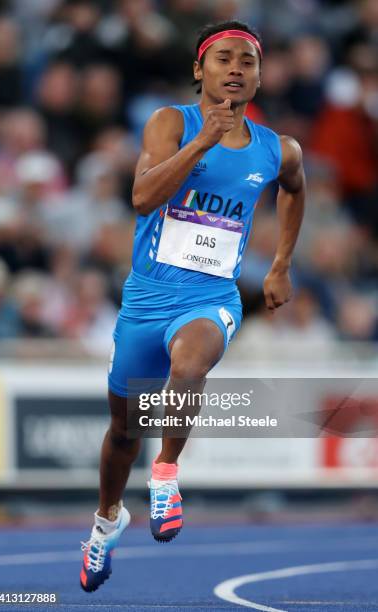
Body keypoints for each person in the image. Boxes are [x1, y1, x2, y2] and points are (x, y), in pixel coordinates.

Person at [80, 19, 305, 592]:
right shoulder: (169, 123)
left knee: (190, 364)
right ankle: (108, 519)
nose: (236, 69)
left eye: (247, 62)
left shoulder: (278, 149)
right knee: (124, 431)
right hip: (147, 297)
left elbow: (294, 189)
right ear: (199, 70)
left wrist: (280, 263)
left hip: (211, 297)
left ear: (258, 77)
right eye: (224, 59)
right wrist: (202, 142)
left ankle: (165, 475)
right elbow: (142, 197)